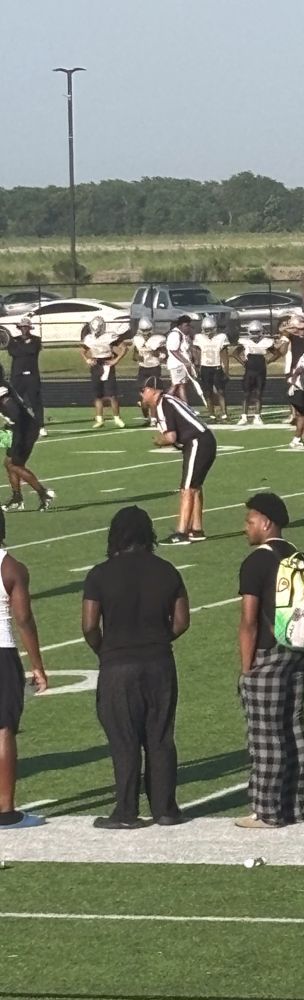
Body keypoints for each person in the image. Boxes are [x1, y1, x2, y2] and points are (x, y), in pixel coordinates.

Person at [82, 507, 190, 829]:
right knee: (160, 737)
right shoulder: (167, 570)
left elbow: (89, 625)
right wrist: (157, 639)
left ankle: (126, 811)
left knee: (124, 739)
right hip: (159, 662)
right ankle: (165, 809)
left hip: (117, 665)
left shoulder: (99, 574)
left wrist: (105, 649)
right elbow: (182, 621)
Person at [236, 492, 304, 828]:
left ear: (266, 523)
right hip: (298, 649)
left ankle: (266, 812)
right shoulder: (297, 555)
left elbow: (248, 620)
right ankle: (293, 806)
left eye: (250, 521)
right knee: (293, 730)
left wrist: (246, 667)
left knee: (265, 736)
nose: (246, 528)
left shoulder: (257, 561)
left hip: (269, 652)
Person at [0, 507, 48, 829]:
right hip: (1, 652)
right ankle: (5, 810)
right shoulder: (12, 568)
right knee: (3, 730)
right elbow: (23, 619)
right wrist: (37, 665)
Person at [140, 381, 217, 545]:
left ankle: (181, 533)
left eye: (143, 391)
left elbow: (171, 437)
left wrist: (159, 441)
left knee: (187, 489)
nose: (141, 395)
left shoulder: (164, 403)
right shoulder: (168, 400)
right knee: (195, 487)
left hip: (197, 441)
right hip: (203, 440)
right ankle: (196, 529)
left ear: (152, 390)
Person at [0, 379, 55, 513]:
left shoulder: (2, 390)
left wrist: (15, 436)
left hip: (25, 430)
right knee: (9, 463)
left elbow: (16, 413)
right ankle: (17, 498)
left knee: (15, 464)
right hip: (20, 428)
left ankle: (43, 493)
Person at [81, 314, 126, 429]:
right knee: (97, 395)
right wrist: (88, 359)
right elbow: (82, 351)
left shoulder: (109, 336)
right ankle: (99, 419)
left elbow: (124, 347)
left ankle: (117, 418)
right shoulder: (89, 338)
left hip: (107, 364)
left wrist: (115, 360)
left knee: (112, 394)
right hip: (96, 365)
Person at [8, 315, 45, 436]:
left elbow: (32, 350)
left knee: (35, 401)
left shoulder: (36, 340)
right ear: (19, 328)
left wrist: (23, 347)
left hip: (32, 375)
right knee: (16, 401)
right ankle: (17, 424)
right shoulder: (13, 340)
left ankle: (41, 426)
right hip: (17, 376)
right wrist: (24, 346)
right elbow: (14, 352)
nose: (24, 329)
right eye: (22, 327)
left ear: (30, 328)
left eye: (26, 327)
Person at [234, 320, 277, 425]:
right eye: (252, 332)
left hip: (260, 370)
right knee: (246, 394)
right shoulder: (245, 342)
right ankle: (244, 416)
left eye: (256, 332)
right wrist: (243, 363)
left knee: (258, 394)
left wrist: (269, 360)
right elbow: (235, 353)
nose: (254, 334)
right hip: (249, 370)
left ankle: (257, 416)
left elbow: (276, 353)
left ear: (261, 331)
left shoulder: (266, 342)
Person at [132, 317, 167, 427]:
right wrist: (138, 357)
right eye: (143, 331)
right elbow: (134, 355)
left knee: (152, 396)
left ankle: (153, 419)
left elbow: (163, 355)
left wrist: (154, 351)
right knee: (142, 397)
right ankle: (146, 417)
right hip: (143, 368)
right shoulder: (137, 339)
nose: (146, 333)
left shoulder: (157, 339)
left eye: (147, 331)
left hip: (154, 368)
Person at [193, 316, 229, 422]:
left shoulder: (221, 337)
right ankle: (212, 414)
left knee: (220, 391)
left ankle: (224, 413)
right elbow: (197, 352)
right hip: (205, 367)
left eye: (210, 329)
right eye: (206, 330)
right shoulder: (199, 338)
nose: (208, 332)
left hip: (217, 366)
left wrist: (226, 369)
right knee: (208, 392)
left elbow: (224, 354)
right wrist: (197, 366)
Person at [278, 315, 304, 424]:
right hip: (295, 367)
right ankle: (295, 415)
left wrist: (303, 323)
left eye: (303, 329)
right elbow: (281, 330)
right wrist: (293, 326)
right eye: (299, 329)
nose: (300, 331)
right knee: (294, 392)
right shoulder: (294, 337)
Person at [165, 315, 196, 404]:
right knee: (177, 385)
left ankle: (183, 405)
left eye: (189, 326)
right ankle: (167, 403)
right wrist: (185, 361)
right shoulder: (175, 334)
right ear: (180, 326)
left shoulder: (184, 335)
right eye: (186, 326)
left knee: (182, 385)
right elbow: (174, 350)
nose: (188, 328)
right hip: (177, 365)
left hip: (182, 365)